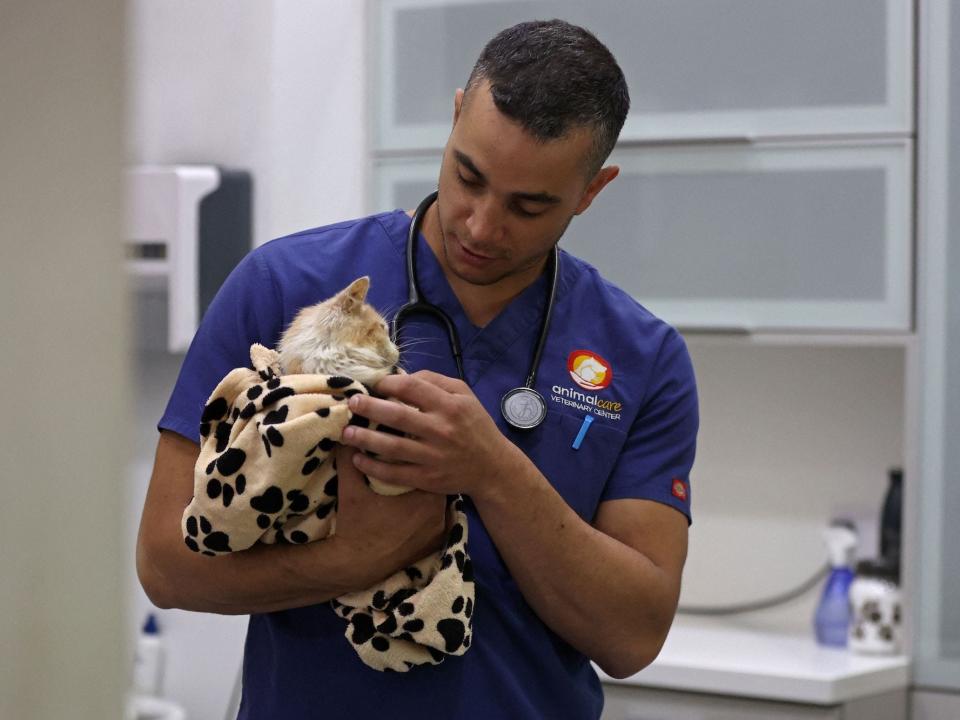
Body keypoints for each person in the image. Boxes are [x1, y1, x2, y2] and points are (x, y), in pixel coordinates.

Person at [136, 18, 698, 719]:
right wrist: (354, 559)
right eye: (469, 175)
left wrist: (492, 469)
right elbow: (164, 565)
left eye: (530, 206)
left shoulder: (643, 357)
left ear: (592, 190)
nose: (481, 226)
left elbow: (633, 634)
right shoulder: (285, 286)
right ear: (457, 114)